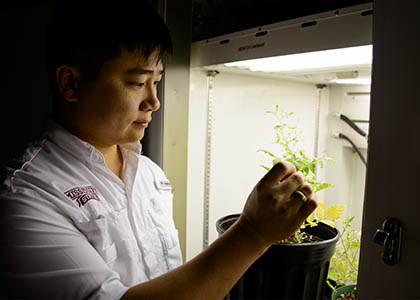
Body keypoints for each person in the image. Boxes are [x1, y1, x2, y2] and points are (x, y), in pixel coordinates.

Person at [0, 1, 317, 299]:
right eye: (138, 83)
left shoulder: (150, 176)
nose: (154, 101)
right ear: (70, 84)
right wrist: (251, 233)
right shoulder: (27, 196)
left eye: (157, 82)